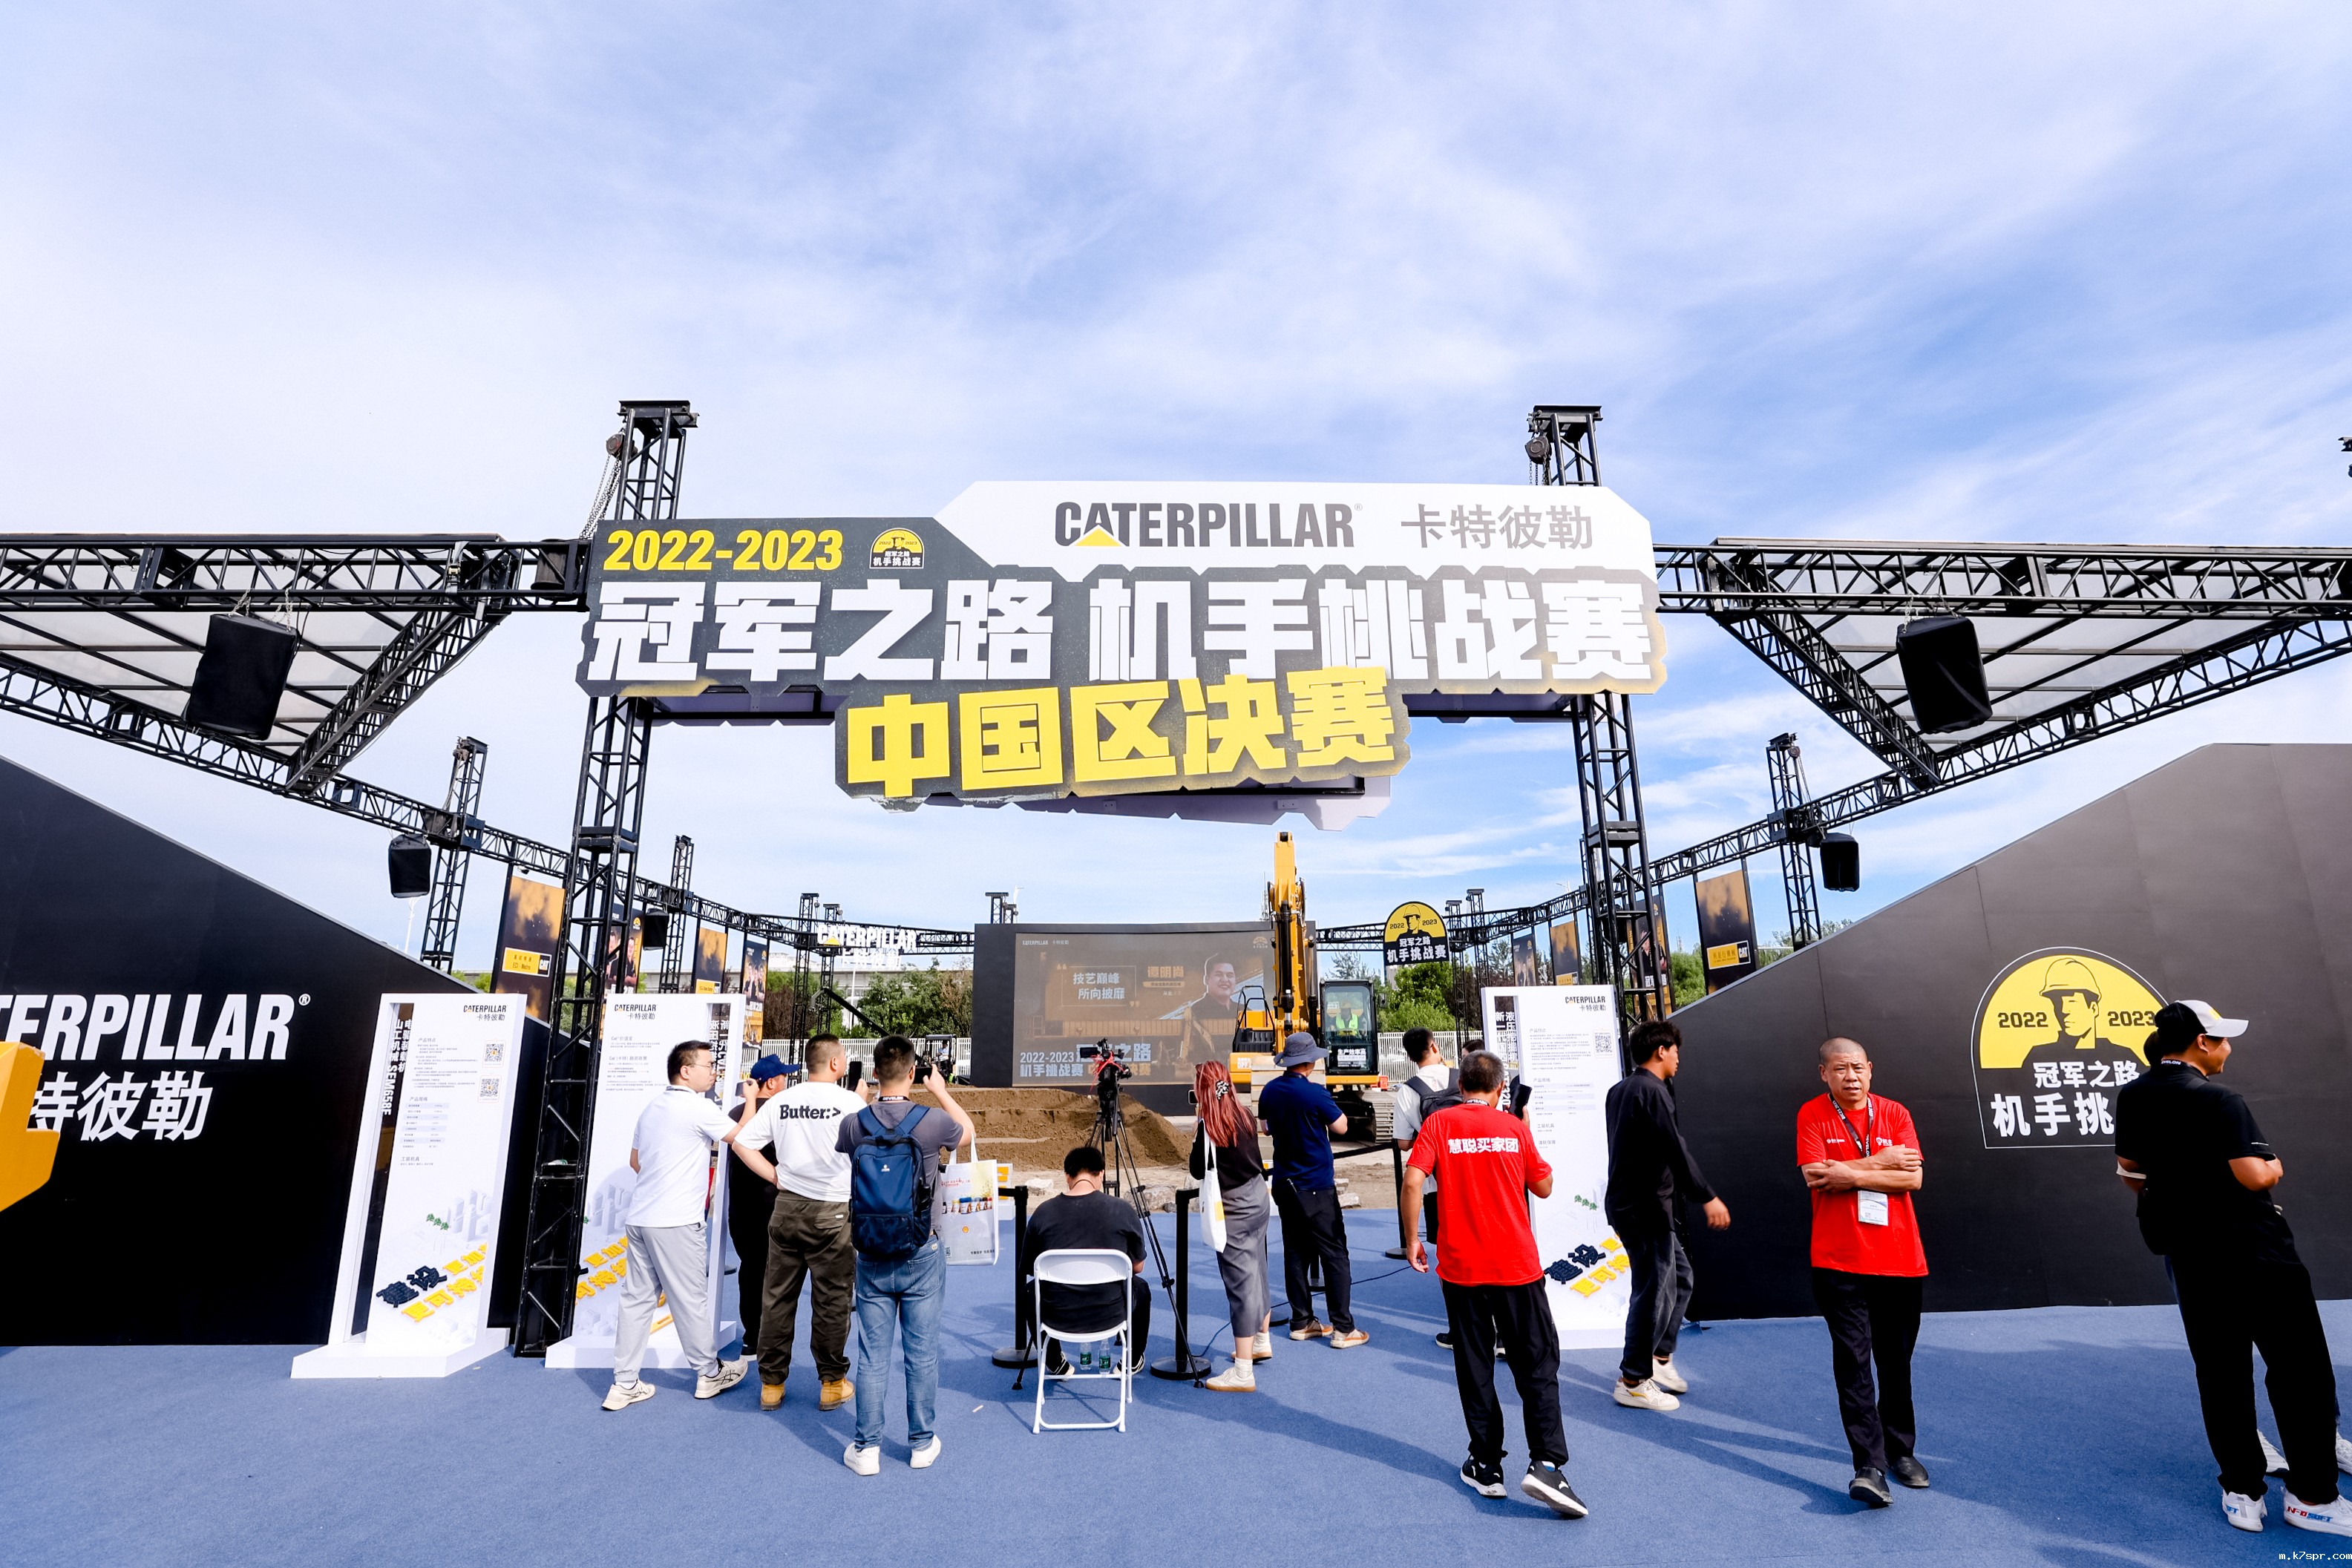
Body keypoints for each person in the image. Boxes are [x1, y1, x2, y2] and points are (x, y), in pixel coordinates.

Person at [2115, 1000, 2350, 1537]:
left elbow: (2130, 1169)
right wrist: (2274, 1164)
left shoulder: (2133, 1094)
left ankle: (2242, 1492)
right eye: (2221, 1039)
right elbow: (2254, 1175)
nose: (2227, 1048)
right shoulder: (2219, 1099)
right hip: (2256, 1252)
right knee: (2300, 1371)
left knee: (2221, 1373)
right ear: (2200, 1042)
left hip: (2189, 1256)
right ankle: (2312, 1497)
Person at [1403, 1049, 1586, 1518]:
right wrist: (1524, 1127)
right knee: (1537, 1364)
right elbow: (1544, 1186)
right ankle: (1547, 1464)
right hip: (1517, 1267)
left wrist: (1412, 1239)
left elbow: (1412, 1181)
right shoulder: (1514, 1128)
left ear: (1460, 1086)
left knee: (1475, 1364)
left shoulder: (1439, 1124)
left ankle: (1486, 1464)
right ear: (1501, 1089)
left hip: (1462, 1269)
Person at [1798, 1037, 1929, 1508]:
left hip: (1900, 1260)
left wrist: (1850, 1174)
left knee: (1895, 1362)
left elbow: (1913, 1178)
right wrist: (1881, 1162)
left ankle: (1900, 1451)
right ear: (1824, 1073)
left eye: (1857, 1067)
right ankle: (1869, 1467)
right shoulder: (1813, 1115)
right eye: (1840, 1068)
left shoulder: (1895, 1113)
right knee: (1853, 1363)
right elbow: (1816, 1176)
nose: (1850, 1076)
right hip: (1839, 1263)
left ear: (1870, 1069)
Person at [835, 1034, 975, 1474]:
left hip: (871, 1250)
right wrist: (941, 1091)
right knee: (921, 1353)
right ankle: (921, 1443)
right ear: (913, 1072)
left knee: (873, 1355)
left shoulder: (854, 1124)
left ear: (875, 1072)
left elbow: (846, 1147)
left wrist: (859, 1098)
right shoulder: (932, 1122)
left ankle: (866, 1448)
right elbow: (968, 1132)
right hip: (920, 1248)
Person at [602, 1040, 759, 1411]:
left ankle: (624, 1383)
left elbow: (636, 1162)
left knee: (636, 1301)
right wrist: (751, 1100)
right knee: (690, 1299)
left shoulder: (652, 1108)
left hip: (642, 1218)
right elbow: (744, 1136)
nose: (714, 1071)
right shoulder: (696, 1107)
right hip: (676, 1221)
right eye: (708, 1065)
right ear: (686, 1071)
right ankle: (708, 1373)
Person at [730, 1035, 863, 1413]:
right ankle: (832, 1382)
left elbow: (742, 1144)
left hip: (787, 1207)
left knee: (777, 1298)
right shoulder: (850, 1103)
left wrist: (776, 1177)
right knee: (832, 1300)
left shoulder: (783, 1101)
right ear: (835, 1063)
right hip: (832, 1210)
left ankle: (771, 1384)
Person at [1603, 1018, 1727, 1411]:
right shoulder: (1652, 1090)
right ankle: (1633, 1380)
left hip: (1637, 1205)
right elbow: (1675, 1148)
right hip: (1643, 1209)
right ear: (1661, 1051)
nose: (1678, 1059)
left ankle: (1657, 1359)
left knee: (1680, 1278)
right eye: (1676, 1051)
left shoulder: (1621, 1090)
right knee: (1653, 1290)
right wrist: (1707, 1196)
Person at [1257, 1031, 1367, 1348]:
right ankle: (1343, 1328)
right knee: (1334, 1253)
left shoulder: (1270, 1090)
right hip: (1316, 1184)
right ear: (1309, 1062)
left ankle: (1302, 1321)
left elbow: (1266, 1127)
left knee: (1295, 1251)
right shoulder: (1315, 1093)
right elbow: (1342, 1126)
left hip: (1285, 1181)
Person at [1023, 1144, 1153, 1374]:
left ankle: (1053, 1360)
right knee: (1140, 1289)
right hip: (1111, 1313)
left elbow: (1032, 1267)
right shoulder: (1122, 1210)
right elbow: (1138, 1267)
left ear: (1067, 1176)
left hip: (1058, 1315)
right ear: (1101, 1174)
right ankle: (1131, 1359)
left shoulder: (1043, 1213)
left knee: (1031, 1290)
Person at [1190, 1057, 1270, 1391]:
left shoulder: (1210, 1127)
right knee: (1259, 1269)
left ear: (1202, 1090)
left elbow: (1196, 1169)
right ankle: (1262, 1339)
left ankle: (1243, 1371)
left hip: (1234, 1206)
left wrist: (1199, 1125)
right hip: (1258, 1196)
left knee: (1240, 1285)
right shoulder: (1244, 1114)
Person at [1392, 1028, 1464, 1348]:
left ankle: (1459, 1331)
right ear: (1434, 1046)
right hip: (1477, 1177)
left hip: (1437, 1183)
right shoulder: (1463, 1077)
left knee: (1449, 1256)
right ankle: (1501, 1332)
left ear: (1410, 1057)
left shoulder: (1408, 1091)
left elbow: (1403, 1142)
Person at [724, 1054, 791, 1380]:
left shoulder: (735, 1114)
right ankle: (769, 1343)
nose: (787, 1082)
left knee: (751, 1272)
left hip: (740, 1211)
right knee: (776, 1278)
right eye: (784, 1077)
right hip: (772, 1210)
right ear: (772, 1082)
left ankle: (752, 1338)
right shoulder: (779, 1115)